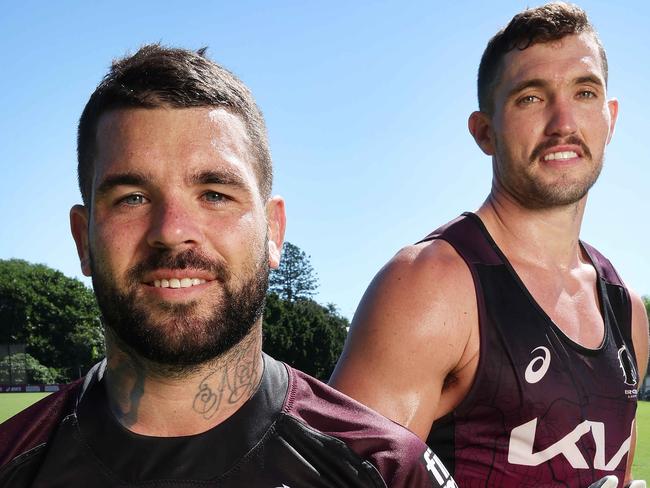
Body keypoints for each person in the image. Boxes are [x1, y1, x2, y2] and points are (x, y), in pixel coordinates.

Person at [0, 45, 455, 488]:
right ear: (83, 238)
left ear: (273, 231)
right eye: (132, 198)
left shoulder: (384, 469)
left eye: (215, 194)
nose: (172, 230)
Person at [330, 3, 649, 487]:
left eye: (585, 93)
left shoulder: (627, 311)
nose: (563, 121)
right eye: (530, 98)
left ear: (610, 118)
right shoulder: (429, 286)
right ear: (484, 132)